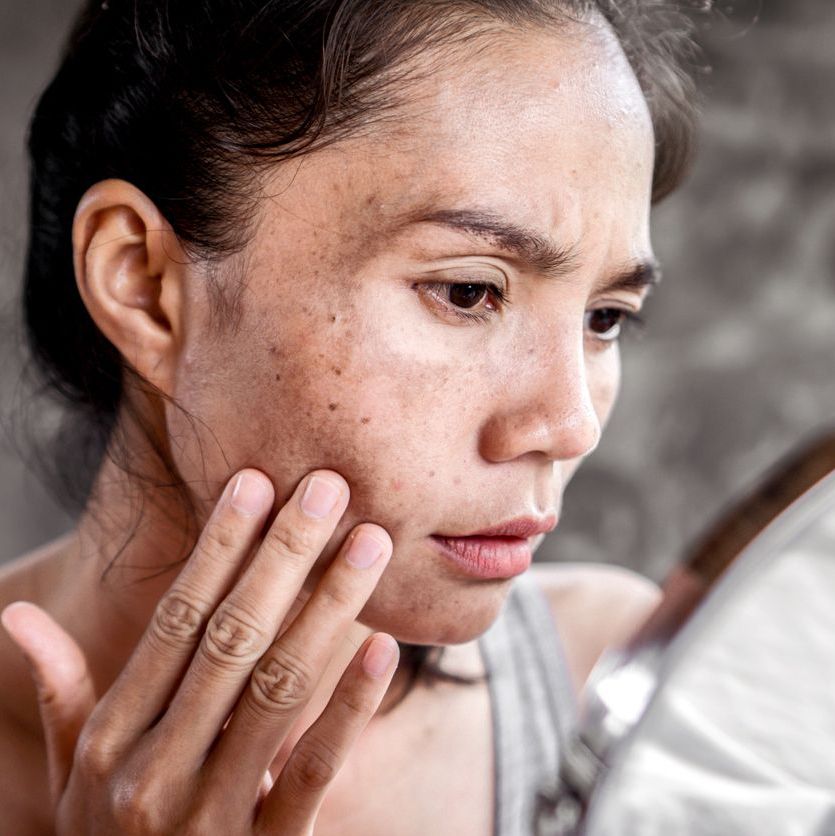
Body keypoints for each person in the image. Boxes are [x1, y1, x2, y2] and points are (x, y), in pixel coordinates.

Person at [0, 0, 702, 832]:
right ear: (145, 284)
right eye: (467, 291)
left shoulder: (628, 703)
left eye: (604, 317)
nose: (569, 424)